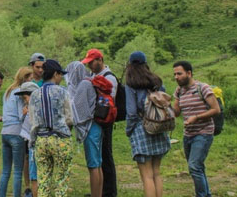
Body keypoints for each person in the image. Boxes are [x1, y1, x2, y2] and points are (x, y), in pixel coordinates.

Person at [124, 51, 171, 197]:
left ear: (130, 65)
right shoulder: (157, 82)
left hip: (141, 129)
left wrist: (129, 130)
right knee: (156, 173)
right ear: (145, 64)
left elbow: (131, 113)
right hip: (159, 128)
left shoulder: (131, 84)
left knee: (147, 175)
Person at [172, 61, 220, 197]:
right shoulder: (179, 91)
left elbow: (215, 110)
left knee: (194, 166)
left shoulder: (203, 88)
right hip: (188, 134)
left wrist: (196, 117)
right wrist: (165, 104)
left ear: (189, 73)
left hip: (204, 133)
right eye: (174, 74)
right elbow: (176, 112)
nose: (176, 77)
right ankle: (206, 194)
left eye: (179, 73)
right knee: (197, 167)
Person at [29, 59, 74, 197]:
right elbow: (70, 118)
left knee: (43, 181)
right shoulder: (62, 92)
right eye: (60, 74)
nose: (61, 77)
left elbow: (33, 120)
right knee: (61, 180)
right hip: (60, 139)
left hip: (41, 140)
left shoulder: (35, 94)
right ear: (55, 74)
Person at [82, 48, 118, 197]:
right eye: (88, 63)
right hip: (95, 121)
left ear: (100, 60)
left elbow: (110, 102)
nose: (90, 65)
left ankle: (109, 192)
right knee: (99, 158)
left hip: (104, 121)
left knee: (106, 157)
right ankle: (101, 191)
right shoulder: (93, 75)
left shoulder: (109, 78)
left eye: (92, 62)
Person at [67, 61, 103, 197]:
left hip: (90, 128)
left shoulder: (83, 84)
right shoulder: (90, 81)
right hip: (97, 127)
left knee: (93, 166)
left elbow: (78, 110)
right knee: (98, 164)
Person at [0, 67, 32, 197]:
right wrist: (27, 111)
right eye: (29, 79)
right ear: (24, 78)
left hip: (5, 132)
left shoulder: (7, 91)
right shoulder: (20, 92)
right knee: (18, 171)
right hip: (16, 133)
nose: (31, 81)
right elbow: (20, 116)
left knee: (5, 170)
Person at [26, 52, 45, 196]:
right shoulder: (27, 83)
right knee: (28, 156)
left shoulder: (46, 81)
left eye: (42, 67)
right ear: (32, 65)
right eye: (37, 67)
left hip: (43, 126)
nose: (40, 70)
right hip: (29, 125)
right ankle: (28, 187)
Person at [15, 81, 39, 197]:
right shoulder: (29, 108)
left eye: (25, 97)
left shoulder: (35, 109)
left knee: (35, 175)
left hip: (35, 145)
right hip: (31, 144)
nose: (24, 101)